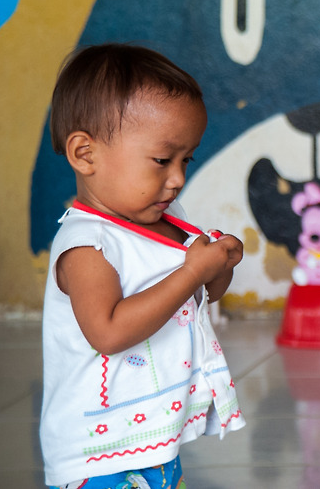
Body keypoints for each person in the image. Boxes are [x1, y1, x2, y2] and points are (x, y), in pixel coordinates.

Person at [40, 43, 246, 489]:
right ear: (85, 154)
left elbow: (201, 297)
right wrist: (191, 271)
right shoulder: (86, 245)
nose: (178, 178)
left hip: (152, 438)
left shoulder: (169, 221)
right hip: (97, 455)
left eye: (186, 160)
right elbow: (109, 332)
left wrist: (218, 267)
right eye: (162, 160)